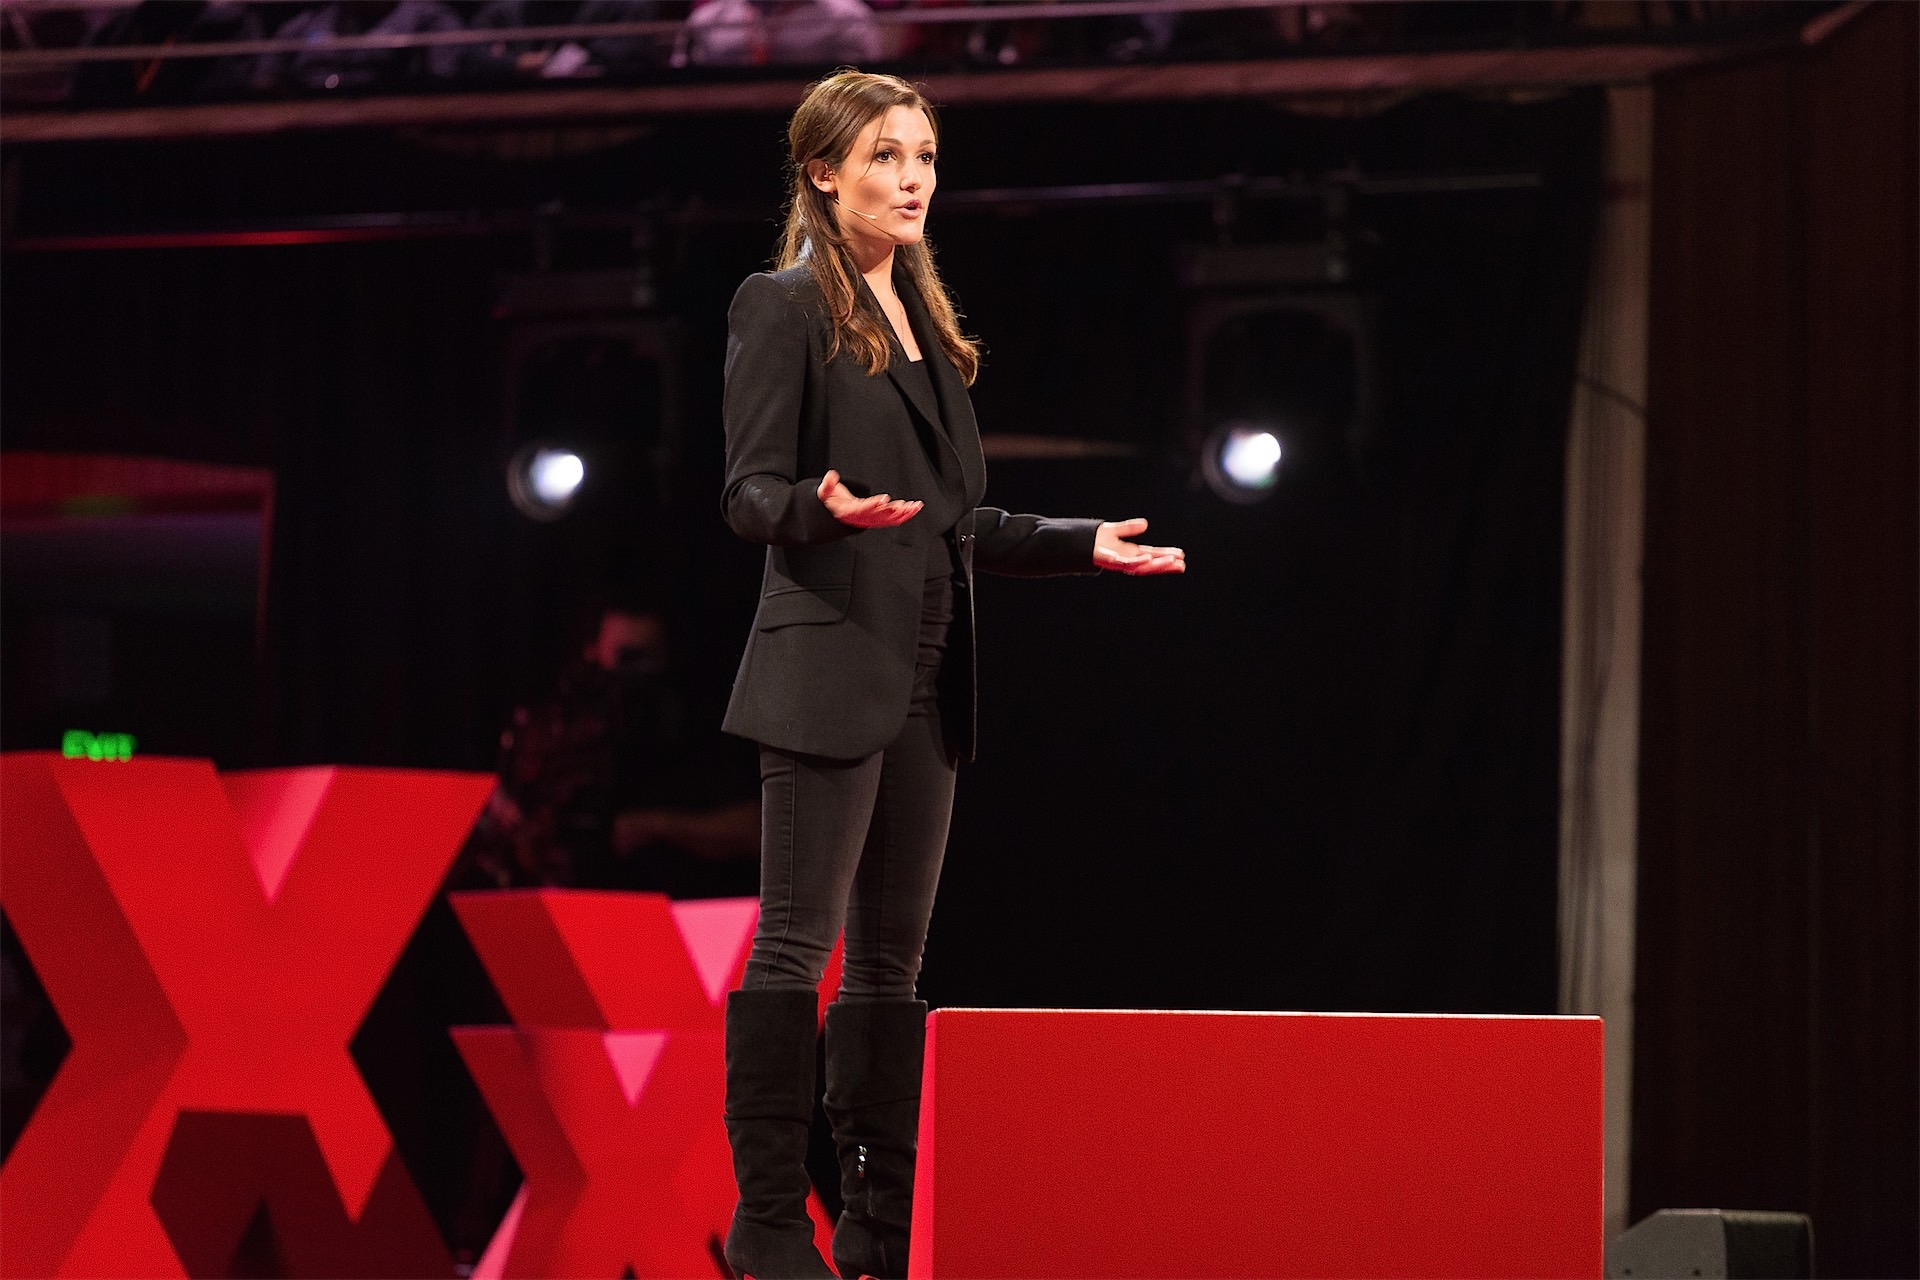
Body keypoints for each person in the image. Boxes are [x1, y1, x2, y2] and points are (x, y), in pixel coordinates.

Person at [716, 70, 1185, 1280]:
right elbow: (747, 493)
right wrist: (814, 507)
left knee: (891, 966)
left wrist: (1081, 544)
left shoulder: (926, 329)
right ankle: (769, 1220)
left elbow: (953, 523)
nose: (912, 177)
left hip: (928, 676)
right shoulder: (782, 306)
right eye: (883, 155)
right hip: (826, 665)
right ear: (823, 173)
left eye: (923, 154)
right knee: (794, 945)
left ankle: (873, 1221)